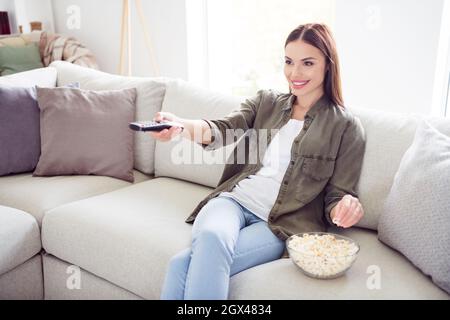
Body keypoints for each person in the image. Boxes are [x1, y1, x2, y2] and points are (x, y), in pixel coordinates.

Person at [150, 23, 366, 300]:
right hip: (232, 202)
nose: (294, 73)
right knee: (213, 237)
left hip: (279, 224)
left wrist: (345, 208)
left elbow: (338, 196)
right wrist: (180, 125)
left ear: (328, 65)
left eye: (307, 63)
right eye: (288, 62)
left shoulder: (346, 127)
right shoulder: (266, 102)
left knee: (181, 264)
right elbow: (223, 128)